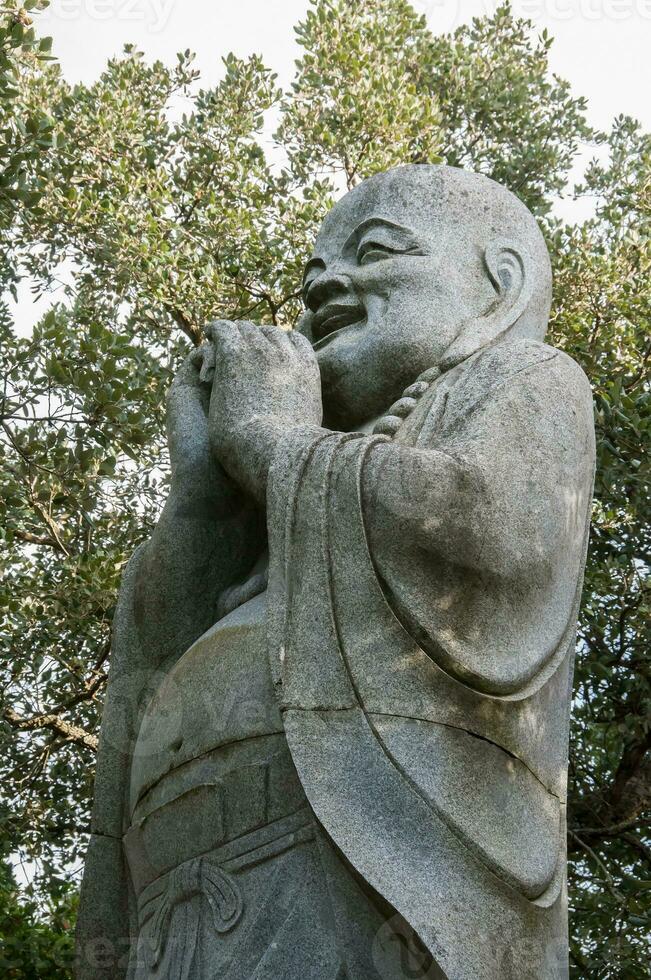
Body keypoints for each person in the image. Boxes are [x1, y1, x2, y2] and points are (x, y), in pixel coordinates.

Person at [77, 165, 595, 980]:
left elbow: (494, 530)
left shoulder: (523, 378)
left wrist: (272, 441)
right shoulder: (291, 481)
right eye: (312, 276)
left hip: (353, 866)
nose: (326, 288)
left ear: (498, 286)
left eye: (376, 253)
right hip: (176, 900)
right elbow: (157, 650)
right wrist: (204, 501)